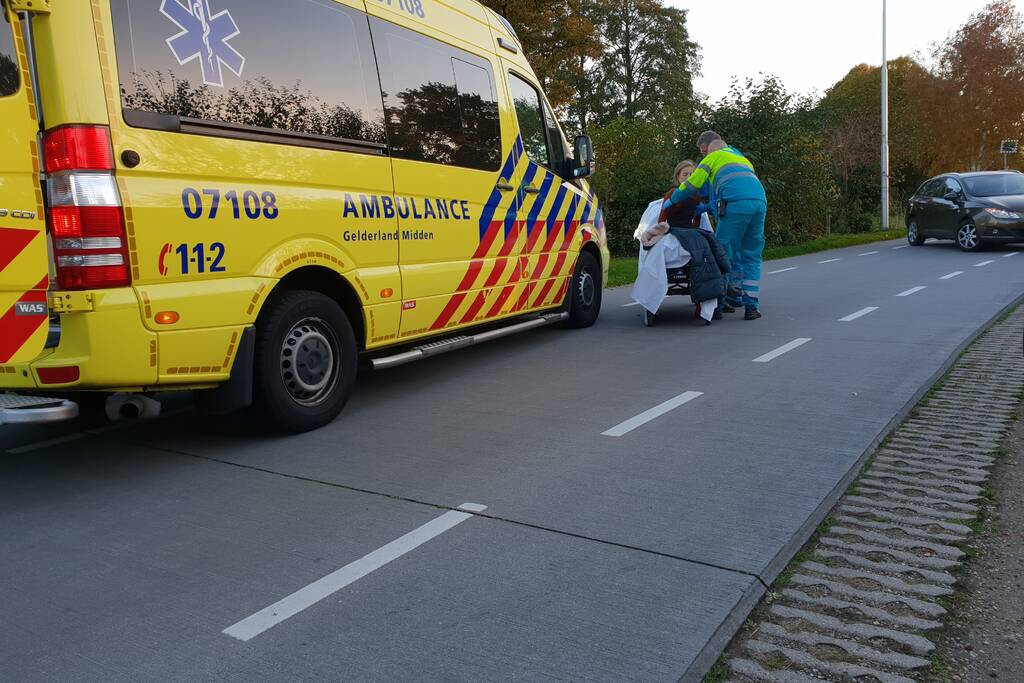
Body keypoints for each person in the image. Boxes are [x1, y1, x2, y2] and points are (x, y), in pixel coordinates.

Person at [662, 131, 768, 320]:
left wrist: (672, 201)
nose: (703, 156)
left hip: (736, 204)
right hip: (759, 202)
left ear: (709, 147)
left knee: (722, 252)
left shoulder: (712, 158)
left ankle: (717, 305)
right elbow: (711, 191)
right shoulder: (739, 157)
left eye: (703, 152)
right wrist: (700, 206)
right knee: (750, 255)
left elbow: (691, 185)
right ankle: (751, 306)